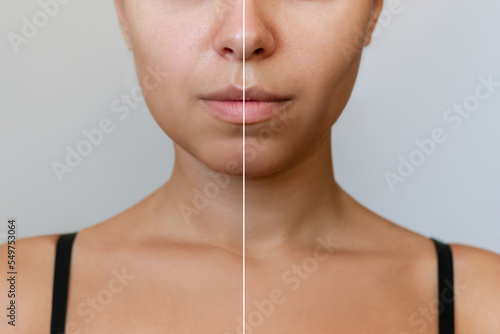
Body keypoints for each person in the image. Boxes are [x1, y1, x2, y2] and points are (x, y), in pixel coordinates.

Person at [1, 0, 499, 333]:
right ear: (123, 13)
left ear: (373, 11)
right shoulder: (13, 294)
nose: (244, 35)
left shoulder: (486, 306)